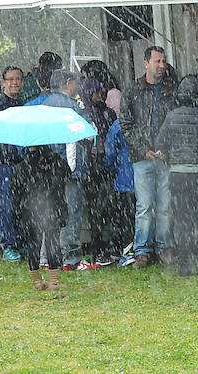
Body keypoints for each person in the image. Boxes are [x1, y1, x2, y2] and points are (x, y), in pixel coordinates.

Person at [155, 74, 198, 277]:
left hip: (178, 174)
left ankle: (185, 265)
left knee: (182, 221)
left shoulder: (171, 116)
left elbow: (160, 144)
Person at [120, 46, 177, 268]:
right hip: (142, 157)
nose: (161, 65)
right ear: (146, 63)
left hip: (163, 157)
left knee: (163, 206)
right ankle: (142, 250)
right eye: (157, 61)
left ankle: (163, 247)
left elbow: (173, 122)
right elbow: (126, 124)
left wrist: (166, 148)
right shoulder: (133, 90)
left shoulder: (170, 90)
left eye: (163, 61)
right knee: (145, 206)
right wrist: (143, 148)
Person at [42, 69, 91, 271]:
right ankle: (70, 257)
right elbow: (84, 134)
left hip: (48, 169)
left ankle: (46, 257)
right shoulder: (73, 107)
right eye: (75, 83)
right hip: (69, 169)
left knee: (50, 213)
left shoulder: (43, 106)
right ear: (68, 83)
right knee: (71, 213)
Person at [13, 146, 68, 292]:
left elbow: (15, 188)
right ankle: (54, 280)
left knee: (33, 244)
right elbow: (66, 175)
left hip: (31, 210)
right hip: (52, 207)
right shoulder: (56, 161)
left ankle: (37, 280)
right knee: (53, 243)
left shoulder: (23, 165)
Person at [0, 66, 25, 261]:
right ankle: (8, 244)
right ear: (3, 83)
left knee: (21, 204)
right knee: (6, 204)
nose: (14, 82)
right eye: (10, 79)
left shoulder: (24, 104)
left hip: (23, 162)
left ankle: (20, 241)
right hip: (5, 162)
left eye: (17, 79)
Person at [81, 77, 118, 266]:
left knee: (109, 209)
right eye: (95, 92)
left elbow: (112, 135)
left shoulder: (108, 113)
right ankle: (97, 249)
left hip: (107, 167)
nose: (99, 95)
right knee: (95, 212)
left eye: (100, 91)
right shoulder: (85, 114)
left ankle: (110, 247)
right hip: (92, 170)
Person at [105, 118, 136, 265]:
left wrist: (112, 168)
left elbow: (110, 152)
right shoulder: (145, 120)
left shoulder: (118, 125)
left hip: (124, 178)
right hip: (145, 177)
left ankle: (127, 250)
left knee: (126, 218)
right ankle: (143, 249)